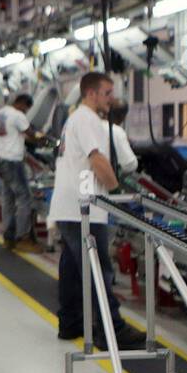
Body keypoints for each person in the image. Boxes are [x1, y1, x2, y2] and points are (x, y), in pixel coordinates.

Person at [50, 71, 138, 349]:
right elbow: (97, 158)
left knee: (74, 268)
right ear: (91, 93)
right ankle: (110, 329)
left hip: (69, 206)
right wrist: (115, 191)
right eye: (108, 93)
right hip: (84, 206)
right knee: (99, 269)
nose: (112, 99)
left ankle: (70, 322)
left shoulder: (75, 118)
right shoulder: (88, 119)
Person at [0, 93, 39, 249]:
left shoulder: (0, 112)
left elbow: (10, 135)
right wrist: (46, 140)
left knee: (8, 198)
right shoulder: (18, 115)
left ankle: (9, 236)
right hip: (12, 161)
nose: (26, 112)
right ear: (22, 103)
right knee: (25, 198)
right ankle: (22, 237)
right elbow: (31, 134)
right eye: (26, 108)